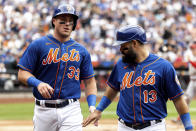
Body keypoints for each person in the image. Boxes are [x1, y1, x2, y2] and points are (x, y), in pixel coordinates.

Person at [82, 25, 193, 131]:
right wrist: (99, 110)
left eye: (123, 46)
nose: (120, 50)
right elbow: (112, 89)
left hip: (153, 127)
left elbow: (178, 99)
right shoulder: (120, 64)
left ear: (134, 43)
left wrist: (188, 127)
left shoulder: (164, 66)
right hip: (124, 127)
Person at [17, 4, 97, 131]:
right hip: (43, 110)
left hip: (71, 109)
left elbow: (89, 81)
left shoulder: (81, 50)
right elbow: (22, 73)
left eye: (71, 21)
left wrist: (92, 106)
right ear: (54, 21)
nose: (67, 24)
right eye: (63, 21)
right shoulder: (38, 45)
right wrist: (38, 83)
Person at [173, 41, 196, 124]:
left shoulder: (192, 59)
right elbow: (183, 65)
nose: (193, 50)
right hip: (192, 81)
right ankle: (180, 119)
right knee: (186, 100)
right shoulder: (192, 57)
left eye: (194, 49)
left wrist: (189, 60)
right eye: (192, 49)